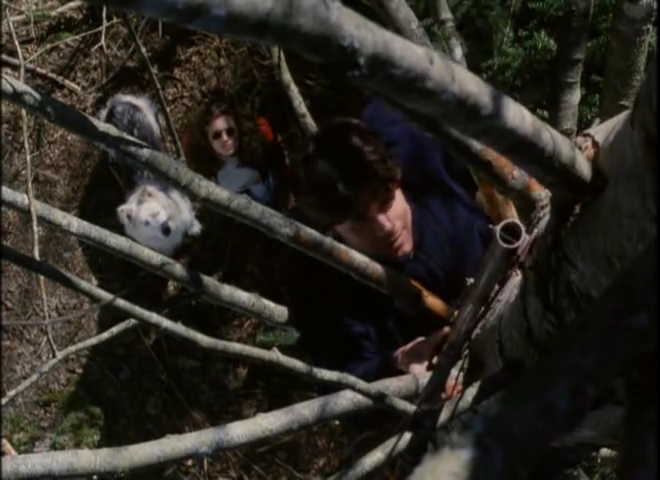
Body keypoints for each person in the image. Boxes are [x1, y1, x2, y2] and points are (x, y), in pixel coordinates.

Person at [287, 97, 493, 385]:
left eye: (386, 201)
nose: (385, 227)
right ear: (334, 230)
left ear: (397, 176)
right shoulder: (326, 289)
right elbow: (339, 376)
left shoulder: (414, 145)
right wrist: (397, 363)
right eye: (361, 221)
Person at [182, 95, 289, 208]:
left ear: (238, 129)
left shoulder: (259, 141)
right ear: (207, 140)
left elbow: (280, 162)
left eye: (230, 131)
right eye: (216, 135)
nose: (225, 139)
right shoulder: (204, 166)